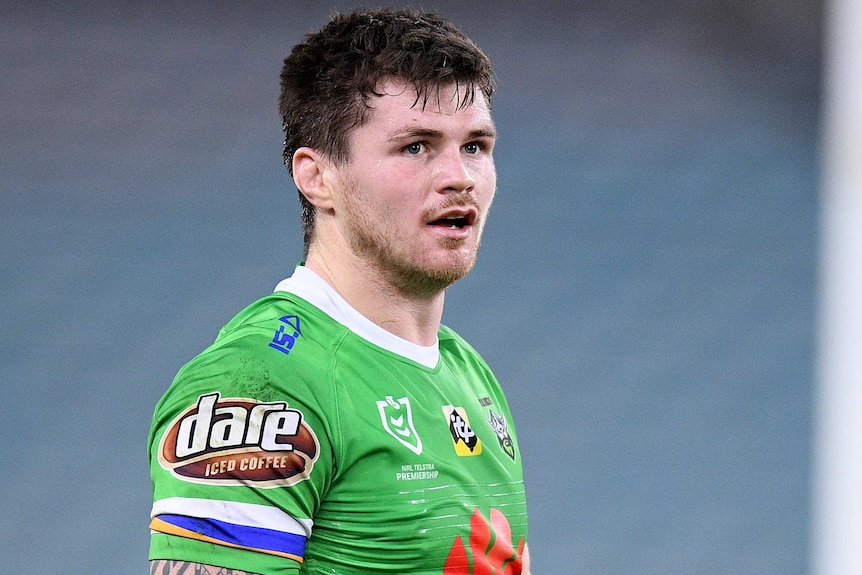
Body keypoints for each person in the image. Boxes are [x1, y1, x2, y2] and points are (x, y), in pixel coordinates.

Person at [148, 7, 531, 575]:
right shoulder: (261, 384)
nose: (460, 177)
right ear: (316, 176)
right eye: (416, 147)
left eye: (475, 145)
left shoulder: (465, 372)